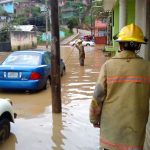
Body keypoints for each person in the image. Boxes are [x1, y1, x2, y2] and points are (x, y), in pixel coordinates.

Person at [89, 24, 150, 150]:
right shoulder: (147, 67)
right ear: (138, 46)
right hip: (135, 132)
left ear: (120, 45)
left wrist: (94, 118)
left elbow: (97, 97)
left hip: (111, 133)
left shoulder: (108, 66)